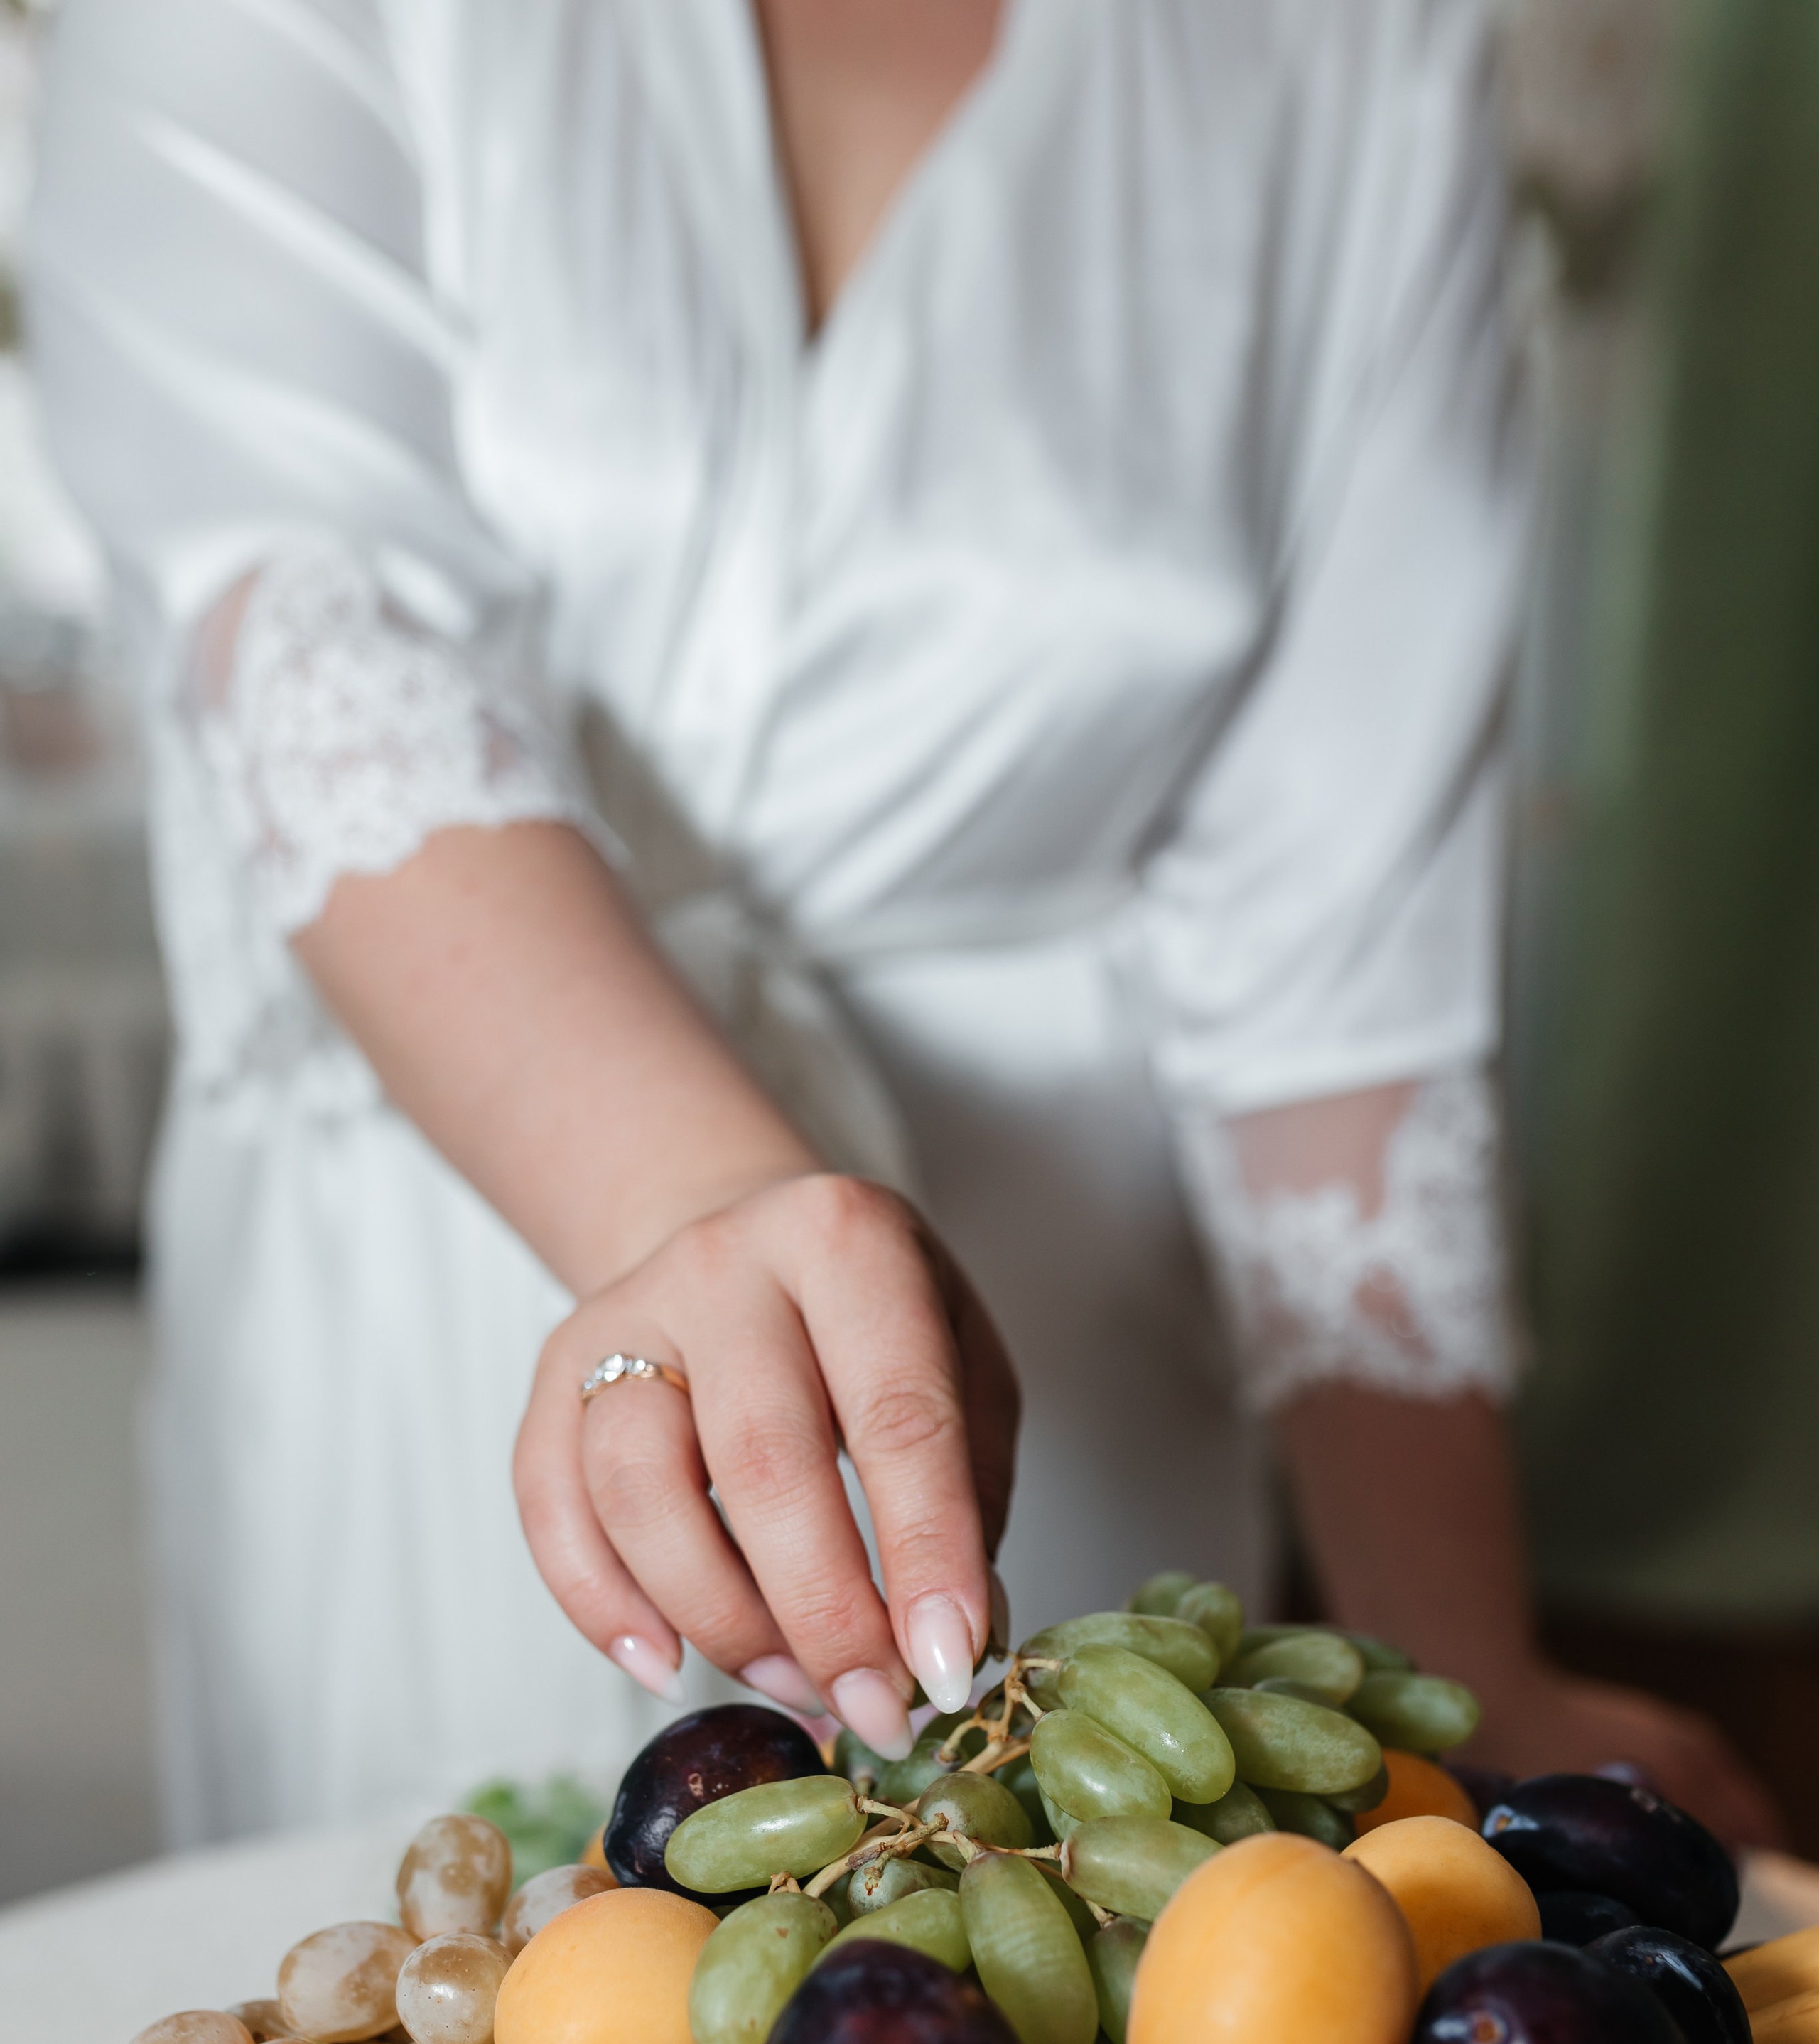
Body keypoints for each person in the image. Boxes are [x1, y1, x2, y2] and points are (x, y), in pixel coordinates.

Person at [26, 0, 1777, 1849]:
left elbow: (1339, 954)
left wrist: (1463, 1664)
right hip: (445, 1290)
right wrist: (685, 1210)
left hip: (1054, 1367)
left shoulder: (1347, 44)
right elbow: (320, 644)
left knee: (1050, 2040)